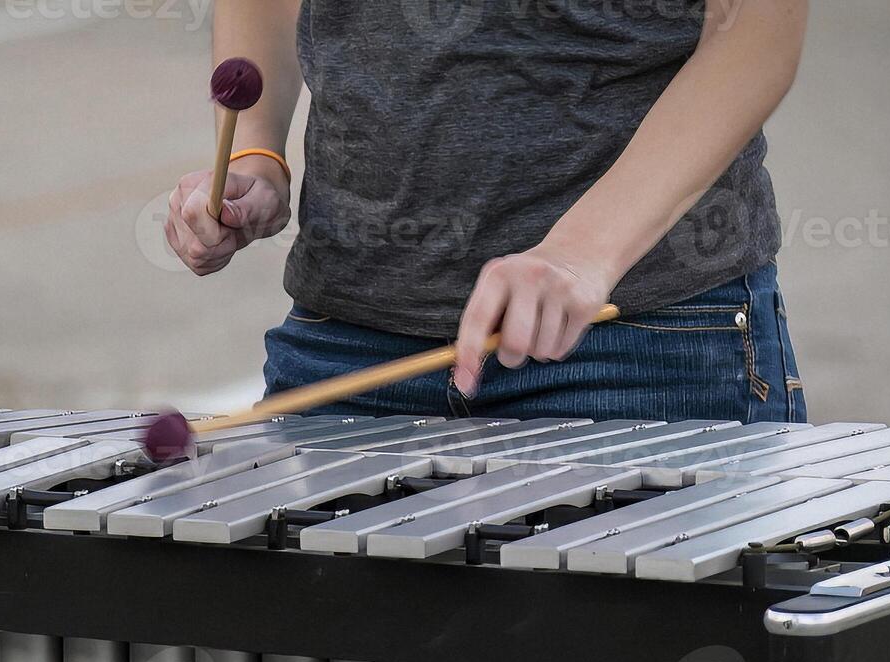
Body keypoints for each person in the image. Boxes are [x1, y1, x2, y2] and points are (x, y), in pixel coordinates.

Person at [163, 0, 809, 425]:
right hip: (347, 338)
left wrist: (581, 252)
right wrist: (253, 151)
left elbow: (754, 38)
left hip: (641, 336)